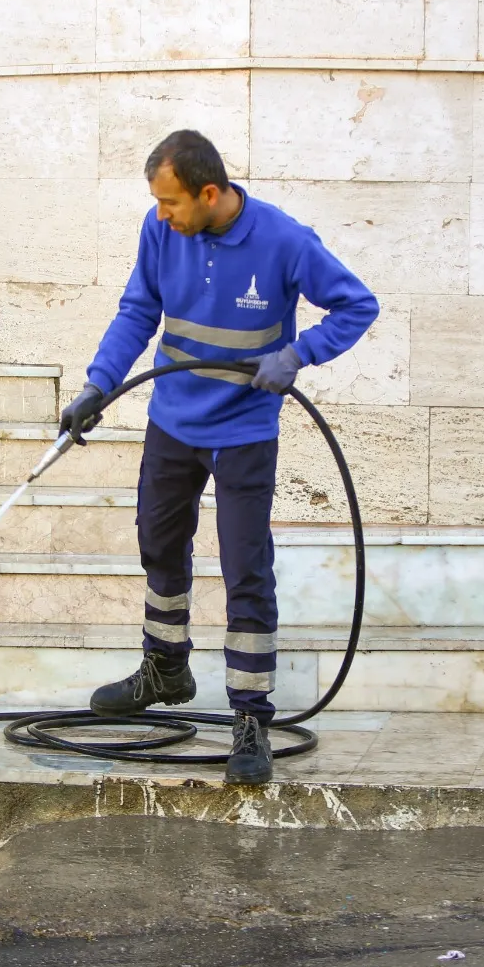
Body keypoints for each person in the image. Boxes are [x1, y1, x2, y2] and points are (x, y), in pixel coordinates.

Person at [59, 130, 379, 785]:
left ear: (210, 193)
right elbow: (137, 311)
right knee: (159, 542)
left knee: (245, 567)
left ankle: (250, 717)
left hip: (243, 428)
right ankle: (165, 668)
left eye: (172, 202)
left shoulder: (283, 241)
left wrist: (298, 355)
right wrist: (97, 385)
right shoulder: (160, 232)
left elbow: (357, 304)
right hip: (172, 416)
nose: (162, 215)